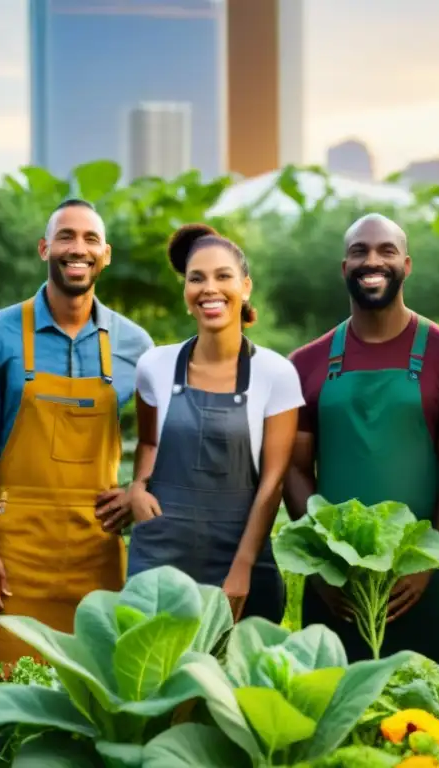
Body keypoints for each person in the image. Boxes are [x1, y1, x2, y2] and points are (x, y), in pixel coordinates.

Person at [0, 199, 153, 673]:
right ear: (45, 247)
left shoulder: (136, 346)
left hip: (97, 552)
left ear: (105, 254)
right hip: (11, 560)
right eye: (65, 236)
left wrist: (137, 488)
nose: (77, 248)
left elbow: (154, 439)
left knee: (90, 707)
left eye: (90, 239)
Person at [284, 213, 439, 664]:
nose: (372, 260)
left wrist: (427, 560)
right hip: (338, 585)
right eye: (359, 251)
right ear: (344, 268)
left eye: (386, 250)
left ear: (407, 265)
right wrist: (322, 569)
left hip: (426, 580)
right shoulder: (307, 362)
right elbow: (293, 468)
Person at [125, 224, 303, 622]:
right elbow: (150, 443)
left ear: (245, 286)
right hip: (160, 555)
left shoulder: (275, 373)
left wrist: (241, 568)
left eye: (223, 276)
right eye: (196, 278)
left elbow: (273, 482)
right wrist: (137, 486)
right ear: (185, 292)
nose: (210, 288)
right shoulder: (154, 365)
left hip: (240, 554)